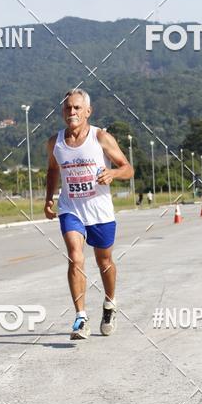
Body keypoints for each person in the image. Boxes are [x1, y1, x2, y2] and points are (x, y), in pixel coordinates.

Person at [45, 89, 134, 340]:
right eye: (67, 108)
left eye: (76, 108)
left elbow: (128, 168)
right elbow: (52, 170)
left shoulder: (101, 137)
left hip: (100, 210)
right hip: (70, 208)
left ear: (87, 111)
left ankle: (109, 304)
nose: (71, 112)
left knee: (104, 261)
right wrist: (48, 198)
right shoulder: (55, 142)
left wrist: (114, 174)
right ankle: (81, 318)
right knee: (75, 257)